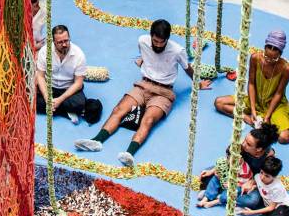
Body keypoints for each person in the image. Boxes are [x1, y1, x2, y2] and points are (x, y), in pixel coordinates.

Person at [74, 18, 197, 167]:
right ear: (150, 36)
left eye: (161, 42)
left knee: (148, 120)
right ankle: (96, 141)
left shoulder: (178, 51)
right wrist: (143, 62)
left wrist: (198, 83)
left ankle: (129, 153)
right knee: (118, 110)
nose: (158, 45)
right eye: (155, 41)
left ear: (167, 39)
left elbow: (187, 68)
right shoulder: (142, 41)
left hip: (163, 92)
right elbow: (147, 56)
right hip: (143, 84)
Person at [215, 30, 289, 143]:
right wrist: (252, 110)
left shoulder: (286, 68)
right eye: (267, 56)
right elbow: (251, 83)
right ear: (264, 49)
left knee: (284, 138)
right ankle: (249, 119)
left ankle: (281, 113)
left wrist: (267, 116)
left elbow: (279, 93)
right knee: (219, 102)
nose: (269, 60)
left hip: (275, 105)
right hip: (255, 100)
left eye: (273, 59)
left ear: (280, 54)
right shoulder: (255, 58)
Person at [197, 122, 278, 209]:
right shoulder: (242, 145)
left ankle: (219, 196)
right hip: (236, 171)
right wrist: (212, 171)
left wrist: (251, 182)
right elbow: (229, 159)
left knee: (253, 201)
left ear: (259, 149)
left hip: (251, 179)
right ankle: (220, 193)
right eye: (245, 140)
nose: (243, 144)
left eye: (248, 144)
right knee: (206, 175)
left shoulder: (268, 157)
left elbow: (264, 176)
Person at [35, 24, 88, 122]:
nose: (64, 44)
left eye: (66, 41)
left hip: (68, 88)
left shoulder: (79, 54)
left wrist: (60, 99)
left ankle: (55, 108)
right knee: (31, 101)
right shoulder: (44, 51)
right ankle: (66, 112)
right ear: (53, 42)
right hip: (50, 87)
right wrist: (47, 98)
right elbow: (40, 76)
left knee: (79, 104)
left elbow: (78, 83)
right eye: (60, 42)